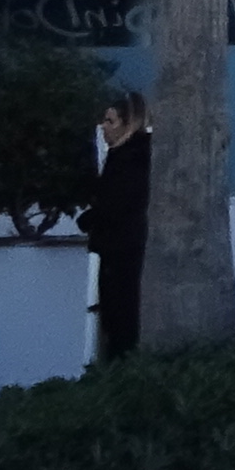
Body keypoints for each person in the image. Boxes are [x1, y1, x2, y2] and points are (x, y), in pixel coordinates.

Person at [85, 89, 152, 358]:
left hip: (124, 248)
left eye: (110, 121)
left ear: (128, 123)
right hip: (119, 247)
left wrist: (91, 219)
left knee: (121, 316)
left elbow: (118, 202)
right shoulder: (123, 156)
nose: (103, 127)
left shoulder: (131, 158)